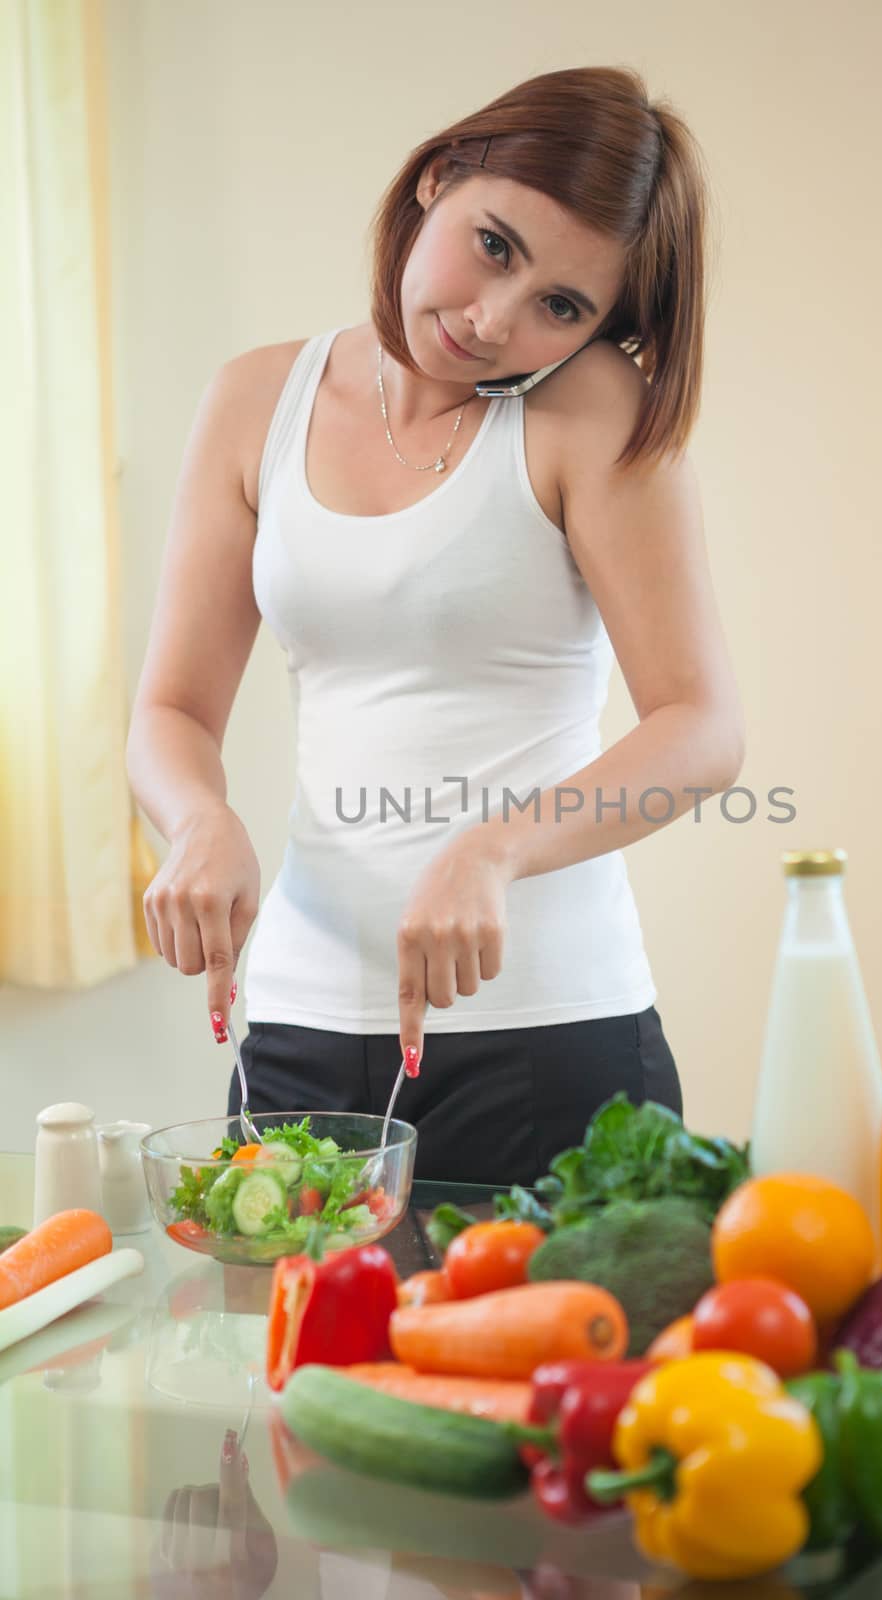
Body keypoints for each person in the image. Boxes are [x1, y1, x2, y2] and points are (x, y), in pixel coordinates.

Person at [126, 66, 744, 1184]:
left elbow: (700, 728)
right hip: (301, 1029)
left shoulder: (590, 411)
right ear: (434, 180)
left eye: (563, 305)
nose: (491, 319)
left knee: (548, 1365)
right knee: (287, 1364)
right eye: (495, 245)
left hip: (548, 1034)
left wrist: (498, 847)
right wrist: (197, 817)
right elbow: (170, 709)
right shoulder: (257, 402)